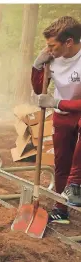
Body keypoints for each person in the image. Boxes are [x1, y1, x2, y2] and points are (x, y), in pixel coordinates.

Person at [31, 16, 81, 224]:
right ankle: (61, 209)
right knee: (62, 163)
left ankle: (76, 184)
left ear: (68, 42)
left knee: (74, 168)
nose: (48, 49)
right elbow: (37, 89)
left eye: (52, 45)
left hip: (76, 110)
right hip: (62, 115)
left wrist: (56, 102)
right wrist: (36, 66)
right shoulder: (52, 60)